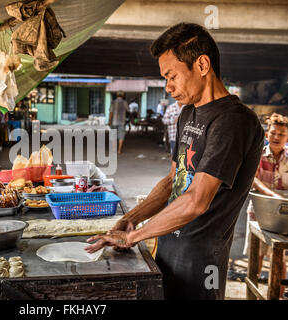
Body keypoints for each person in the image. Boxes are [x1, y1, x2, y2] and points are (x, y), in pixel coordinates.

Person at [85, 22, 264, 300]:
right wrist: (130, 220)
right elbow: (172, 180)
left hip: (202, 261)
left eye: (172, 76)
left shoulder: (234, 120)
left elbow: (196, 200)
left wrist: (133, 237)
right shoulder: (187, 114)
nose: (168, 87)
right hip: (168, 244)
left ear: (202, 65)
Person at [243, 113, 288, 295]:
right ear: (267, 134)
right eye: (273, 133)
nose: (277, 137)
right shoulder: (258, 153)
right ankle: (253, 293)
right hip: (259, 213)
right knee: (258, 256)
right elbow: (252, 178)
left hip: (284, 215)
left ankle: (277, 294)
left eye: (282, 134)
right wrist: (270, 194)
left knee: (280, 259)